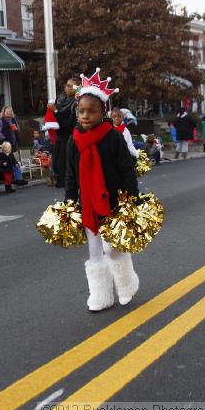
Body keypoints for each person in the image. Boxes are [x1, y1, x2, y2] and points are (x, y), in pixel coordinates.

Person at [65, 69, 139, 312]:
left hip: (113, 201)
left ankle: (127, 284)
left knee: (112, 248)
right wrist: (68, 203)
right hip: (87, 202)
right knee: (95, 250)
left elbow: (127, 169)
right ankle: (101, 295)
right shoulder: (73, 140)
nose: (85, 116)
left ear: (103, 112)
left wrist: (132, 199)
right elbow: (70, 174)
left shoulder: (113, 137)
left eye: (91, 111)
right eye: (81, 111)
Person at [48, 77, 79, 187]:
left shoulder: (76, 103)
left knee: (65, 160)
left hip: (69, 136)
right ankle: (59, 179)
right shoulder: (61, 98)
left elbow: (68, 125)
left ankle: (67, 182)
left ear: (77, 89)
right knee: (57, 160)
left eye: (71, 86)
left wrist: (55, 111)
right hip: (59, 135)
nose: (68, 88)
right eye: (67, 85)